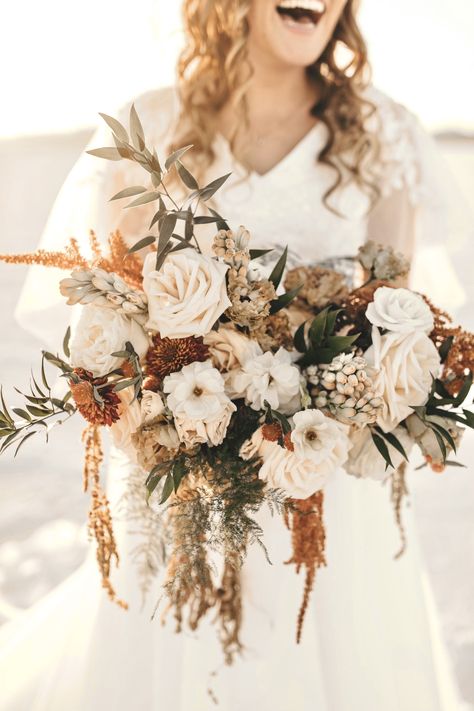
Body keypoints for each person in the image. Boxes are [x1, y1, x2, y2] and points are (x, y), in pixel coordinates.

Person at [1, 1, 468, 709]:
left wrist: (327, 405)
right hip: (186, 496)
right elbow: (112, 327)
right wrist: (171, 422)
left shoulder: (384, 134)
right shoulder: (152, 129)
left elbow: (393, 322)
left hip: (326, 490)